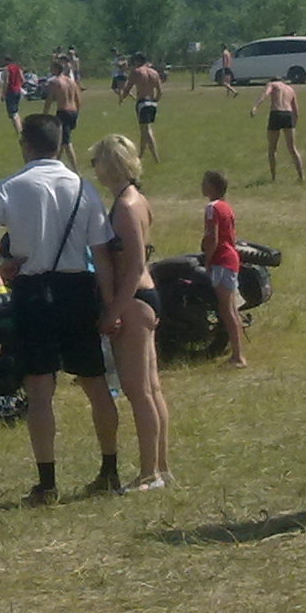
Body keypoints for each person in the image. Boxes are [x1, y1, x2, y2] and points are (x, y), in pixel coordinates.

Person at [0, 113, 120, 503]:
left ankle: (47, 481)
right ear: (59, 144)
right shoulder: (82, 187)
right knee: (95, 383)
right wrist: (109, 305)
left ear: (26, 145)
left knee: (39, 390)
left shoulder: (13, 185)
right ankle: (109, 468)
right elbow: (102, 255)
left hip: (33, 290)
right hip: (77, 288)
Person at [92, 135, 169, 492]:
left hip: (134, 298)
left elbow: (135, 262)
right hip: (145, 295)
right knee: (152, 388)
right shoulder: (138, 199)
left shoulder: (125, 206)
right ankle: (161, 466)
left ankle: (149, 472)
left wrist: (114, 310)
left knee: (138, 391)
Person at [198, 168, 249, 369]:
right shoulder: (226, 207)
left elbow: (213, 237)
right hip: (231, 257)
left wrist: (208, 259)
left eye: (205, 182)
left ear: (212, 186)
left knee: (226, 309)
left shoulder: (212, 208)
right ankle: (237, 352)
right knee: (230, 308)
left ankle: (238, 356)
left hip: (221, 260)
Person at [258, 75, 305, 184]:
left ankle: (273, 177)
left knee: (272, 148)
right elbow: (296, 110)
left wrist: (256, 106)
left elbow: (265, 94)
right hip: (288, 114)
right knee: (292, 148)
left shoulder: (272, 84)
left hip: (276, 113)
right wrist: (294, 123)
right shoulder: (290, 89)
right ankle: (301, 176)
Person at [42, 60, 84, 166]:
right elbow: (78, 99)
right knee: (61, 140)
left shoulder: (55, 82)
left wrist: (44, 114)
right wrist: (77, 113)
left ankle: (75, 169)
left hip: (63, 111)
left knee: (67, 143)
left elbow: (49, 100)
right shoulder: (71, 81)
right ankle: (55, 163)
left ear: (56, 69)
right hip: (73, 111)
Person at [129, 54, 164, 161]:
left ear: (138, 61)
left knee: (147, 130)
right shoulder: (154, 73)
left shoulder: (137, 72)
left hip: (142, 102)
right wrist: (155, 100)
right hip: (152, 103)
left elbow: (128, 87)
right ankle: (141, 155)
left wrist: (122, 97)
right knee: (143, 130)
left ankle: (156, 157)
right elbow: (160, 91)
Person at [2, 56, 27, 132]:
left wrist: (3, 93)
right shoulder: (18, 68)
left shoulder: (7, 69)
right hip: (18, 91)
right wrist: (18, 85)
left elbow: (6, 82)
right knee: (14, 111)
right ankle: (18, 129)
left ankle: (19, 130)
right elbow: (23, 79)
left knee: (13, 113)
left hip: (10, 91)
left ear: (6, 61)